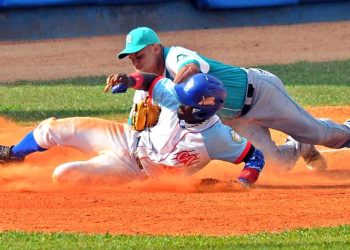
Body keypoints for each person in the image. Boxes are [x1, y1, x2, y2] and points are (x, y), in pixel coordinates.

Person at [108, 26, 350, 172]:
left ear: (157, 47)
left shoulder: (176, 55)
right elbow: (144, 80)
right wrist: (127, 80)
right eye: (131, 57)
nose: (135, 59)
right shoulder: (157, 78)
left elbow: (191, 67)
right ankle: (301, 145)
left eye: (139, 53)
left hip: (260, 94)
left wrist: (175, 90)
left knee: (320, 133)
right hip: (235, 118)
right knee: (276, 166)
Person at [0, 73, 265, 188]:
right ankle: (13, 154)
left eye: (185, 102)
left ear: (202, 108)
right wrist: (127, 81)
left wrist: (243, 182)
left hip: (132, 171)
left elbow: (255, 157)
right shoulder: (177, 97)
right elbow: (150, 80)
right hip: (126, 137)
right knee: (53, 129)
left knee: (64, 175)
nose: (178, 102)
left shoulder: (217, 137)